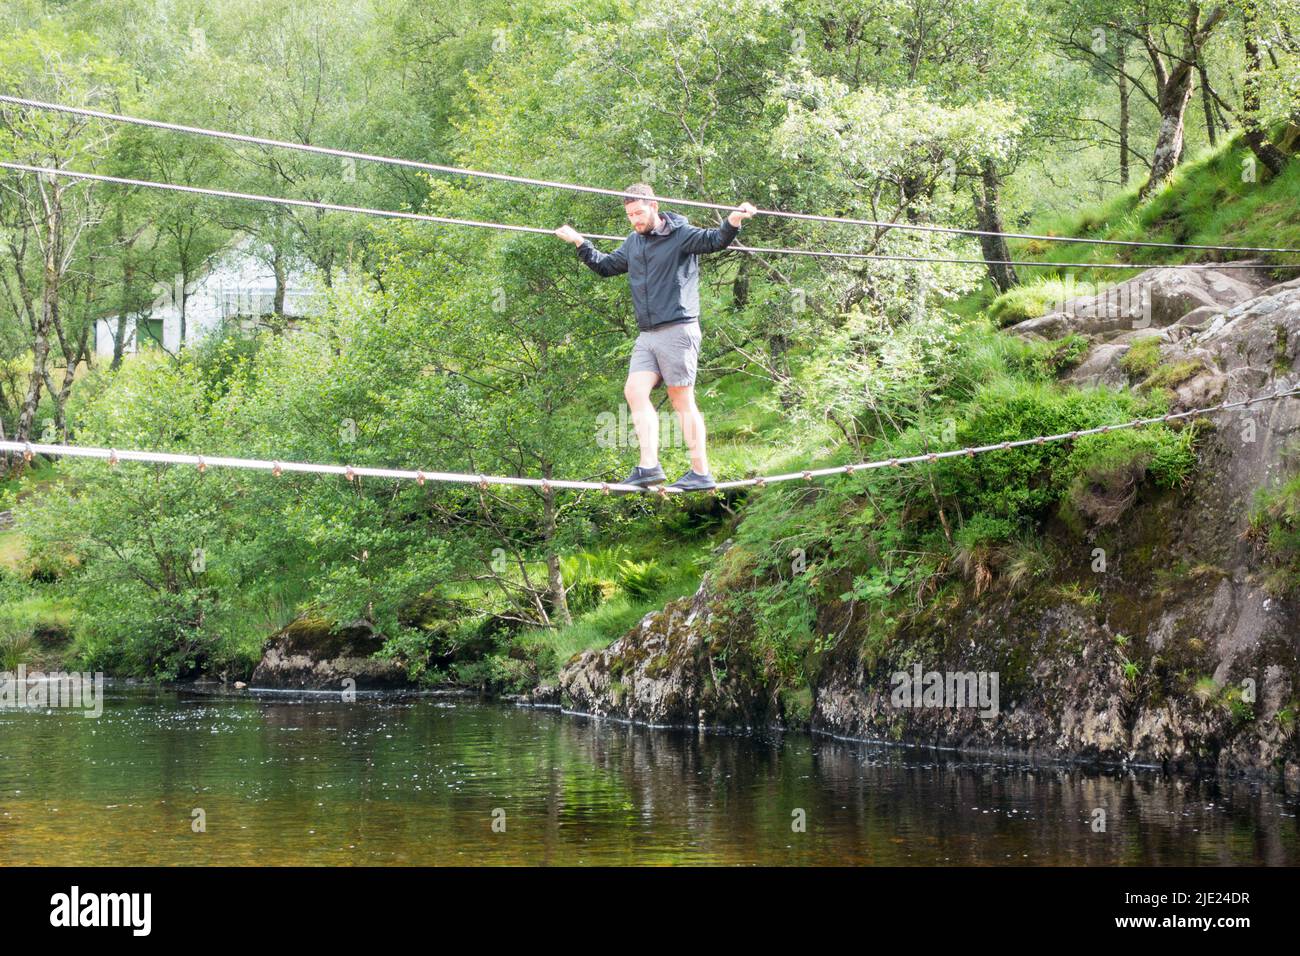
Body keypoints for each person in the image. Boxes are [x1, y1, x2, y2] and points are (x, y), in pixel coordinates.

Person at [555, 184, 756, 491]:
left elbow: (716, 240)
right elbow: (607, 267)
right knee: (634, 391)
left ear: (654, 206)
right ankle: (649, 467)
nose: (634, 219)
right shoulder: (634, 243)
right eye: (629, 214)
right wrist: (581, 242)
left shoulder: (681, 234)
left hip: (678, 329)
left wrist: (733, 221)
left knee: (681, 401)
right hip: (647, 334)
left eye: (639, 212)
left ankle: (700, 472)